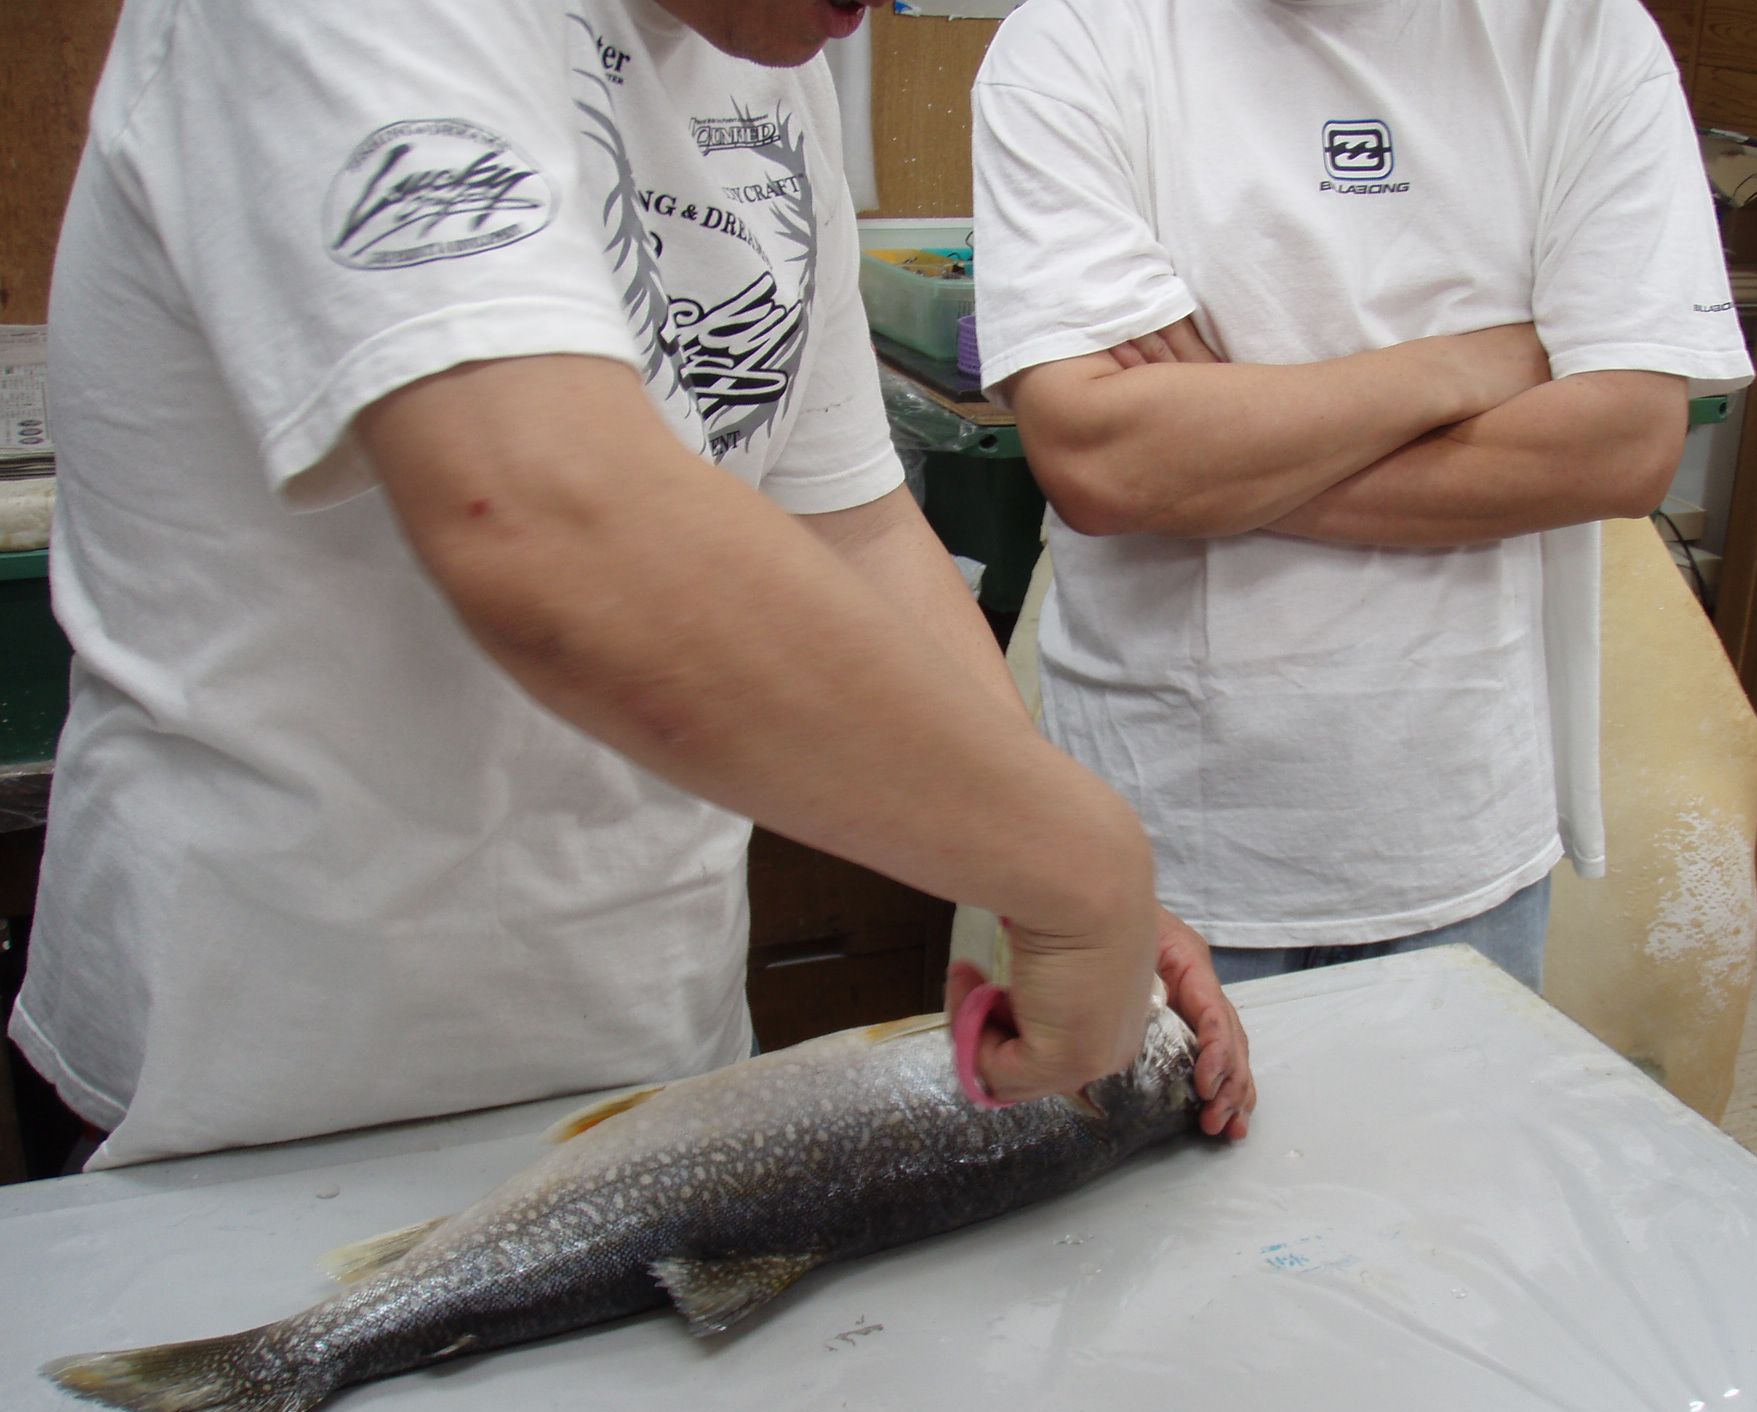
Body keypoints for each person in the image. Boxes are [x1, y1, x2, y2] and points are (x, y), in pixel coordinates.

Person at [8, 0, 1253, 1170]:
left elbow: (853, 535)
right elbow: (540, 518)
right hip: (261, 1092)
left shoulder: (766, 61)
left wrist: (1048, 874)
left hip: (647, 1062)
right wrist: (1069, 860)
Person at [970, 0, 1755, 990]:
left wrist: (1211, 461)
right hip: (1165, 846)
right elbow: (1104, 463)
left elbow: (1623, 449)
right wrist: (1476, 361)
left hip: (1462, 834)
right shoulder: (1078, 37)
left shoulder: (1579, 34)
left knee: (1447, 1147)